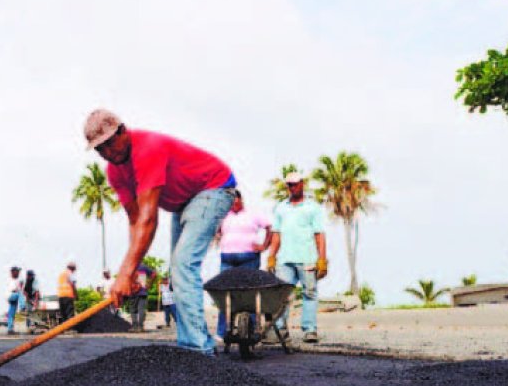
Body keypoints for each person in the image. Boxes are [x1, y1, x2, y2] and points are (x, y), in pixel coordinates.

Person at [85, 109, 237, 355]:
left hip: (213, 187)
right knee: (177, 273)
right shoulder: (114, 172)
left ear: (123, 131)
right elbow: (136, 221)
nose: (107, 153)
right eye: (100, 150)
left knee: (183, 264)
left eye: (109, 144)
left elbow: (149, 220)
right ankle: (190, 347)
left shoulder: (147, 149)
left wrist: (124, 273)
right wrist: (132, 272)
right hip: (183, 202)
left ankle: (199, 351)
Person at [268, 172, 327, 344]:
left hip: (307, 258)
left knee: (309, 293)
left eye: (294, 184)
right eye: (289, 185)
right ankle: (280, 330)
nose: (292, 187)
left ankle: (309, 329)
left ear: (302, 184)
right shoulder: (281, 208)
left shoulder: (313, 208)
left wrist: (322, 260)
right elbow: (276, 234)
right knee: (282, 296)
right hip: (285, 259)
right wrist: (271, 256)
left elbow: (319, 235)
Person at [215, 191, 272, 337]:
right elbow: (216, 230)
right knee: (225, 292)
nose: (233, 204)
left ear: (241, 200)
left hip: (249, 257)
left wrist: (264, 246)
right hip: (227, 258)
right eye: (230, 201)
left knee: (249, 292)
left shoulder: (253, 214)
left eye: (235, 200)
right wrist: (219, 237)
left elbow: (269, 227)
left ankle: (251, 330)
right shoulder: (223, 215)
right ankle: (222, 332)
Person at [130, 263, 152, 332]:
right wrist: (149, 283)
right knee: (141, 310)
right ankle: (140, 327)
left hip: (134, 291)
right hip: (142, 291)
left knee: (133, 310)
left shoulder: (130, 266)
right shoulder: (144, 267)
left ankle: (135, 327)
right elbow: (154, 274)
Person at [5, 266, 24, 334]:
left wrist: (21, 285)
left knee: (11, 314)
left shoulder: (17, 279)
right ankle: (22, 307)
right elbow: (14, 289)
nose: (18, 273)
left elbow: (21, 286)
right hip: (11, 295)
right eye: (17, 272)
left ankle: (10, 329)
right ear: (13, 272)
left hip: (14, 298)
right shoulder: (10, 279)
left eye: (18, 272)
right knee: (19, 293)